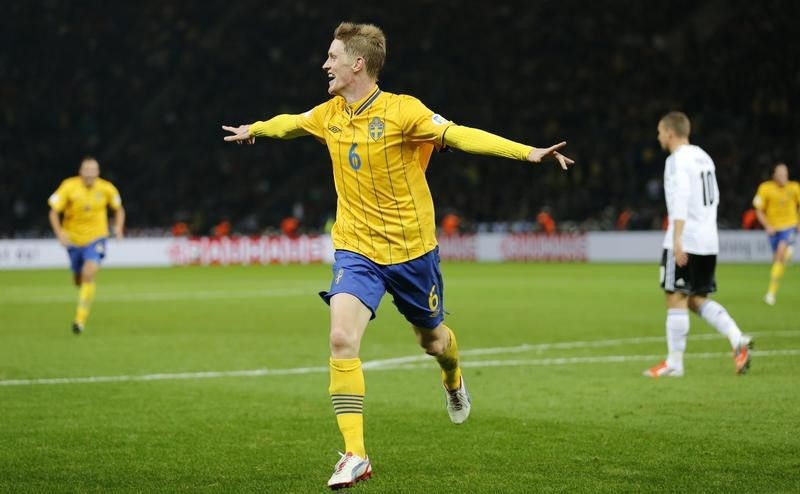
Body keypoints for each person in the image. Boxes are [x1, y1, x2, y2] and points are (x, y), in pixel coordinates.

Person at [222, 21, 573, 489]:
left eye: (333, 56)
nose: (325, 64)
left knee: (433, 342)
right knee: (342, 341)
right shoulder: (331, 113)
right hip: (356, 249)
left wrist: (527, 153)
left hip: (412, 253)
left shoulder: (403, 111)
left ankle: (453, 379)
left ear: (358, 64)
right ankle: (355, 454)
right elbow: (292, 123)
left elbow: (461, 134)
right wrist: (257, 129)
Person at [644, 112, 752, 378]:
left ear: (670, 133)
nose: (658, 136)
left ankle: (674, 363)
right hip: (707, 239)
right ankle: (737, 338)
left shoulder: (676, 160)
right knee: (696, 299)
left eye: (659, 131)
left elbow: (680, 199)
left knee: (675, 296)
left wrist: (678, 239)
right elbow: (713, 197)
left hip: (686, 239)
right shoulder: (704, 156)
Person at [48, 157, 125, 335]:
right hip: (73, 240)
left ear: (98, 172)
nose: (90, 173)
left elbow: (119, 208)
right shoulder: (68, 186)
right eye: (87, 169)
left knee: (89, 272)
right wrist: (59, 233)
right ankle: (83, 284)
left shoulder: (107, 188)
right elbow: (53, 211)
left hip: (97, 238)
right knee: (79, 279)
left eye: (93, 170)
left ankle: (79, 320)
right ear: (80, 171)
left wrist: (119, 227)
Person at [752, 162, 800, 305]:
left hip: (789, 226)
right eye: (780, 174)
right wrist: (767, 226)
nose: (783, 176)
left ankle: (771, 293)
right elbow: (758, 209)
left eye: (785, 174)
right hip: (773, 229)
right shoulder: (765, 188)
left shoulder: (794, 187)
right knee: (777, 261)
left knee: (779, 255)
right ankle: (788, 254)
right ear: (774, 175)